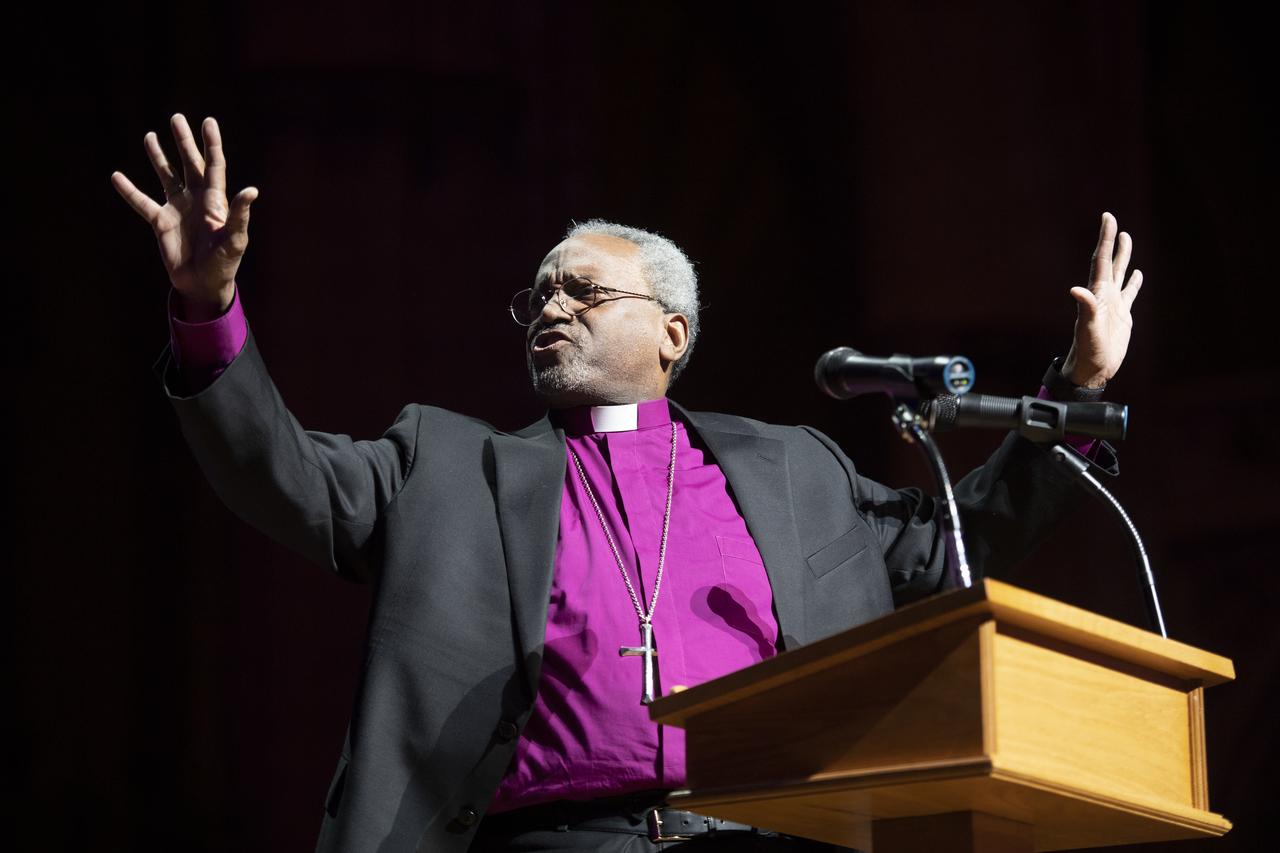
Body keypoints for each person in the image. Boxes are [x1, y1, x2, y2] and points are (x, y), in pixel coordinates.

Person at [113, 114, 1141, 853]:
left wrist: (1076, 384)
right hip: (549, 840)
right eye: (538, 297)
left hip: (766, 833)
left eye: (582, 290)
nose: (548, 310)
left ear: (671, 331)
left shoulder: (794, 469)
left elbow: (958, 543)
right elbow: (277, 471)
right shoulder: (446, 471)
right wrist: (209, 311)